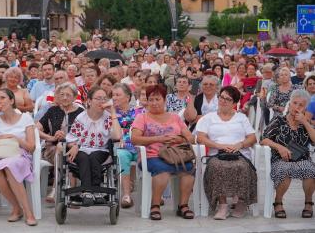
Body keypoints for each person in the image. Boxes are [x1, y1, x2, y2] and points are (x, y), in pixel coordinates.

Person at [131, 85, 195, 220]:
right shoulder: (142, 117)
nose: (154, 103)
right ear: (147, 101)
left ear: (164, 100)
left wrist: (178, 139)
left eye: (157, 99)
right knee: (162, 170)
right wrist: (159, 138)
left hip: (175, 155)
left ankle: (183, 205)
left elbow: (190, 137)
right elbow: (135, 139)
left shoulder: (175, 117)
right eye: (151, 99)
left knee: (188, 168)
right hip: (151, 155)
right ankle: (155, 205)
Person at [196, 86, 257, 220]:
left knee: (242, 167)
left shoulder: (241, 118)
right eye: (221, 97)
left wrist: (239, 145)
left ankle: (241, 202)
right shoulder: (209, 118)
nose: (223, 101)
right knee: (217, 167)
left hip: (239, 153)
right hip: (217, 154)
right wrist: (219, 145)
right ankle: (222, 205)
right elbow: (200, 137)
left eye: (227, 99)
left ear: (234, 103)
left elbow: (253, 138)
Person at [0, 88, 38, 226]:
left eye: (3, 98)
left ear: (12, 100)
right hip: (1, 154)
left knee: (10, 166)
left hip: (20, 154)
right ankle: (16, 208)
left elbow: (31, 147)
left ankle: (28, 212)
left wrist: (15, 138)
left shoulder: (25, 118)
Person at [261, 89, 315, 218]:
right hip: (280, 160)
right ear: (289, 104)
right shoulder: (279, 121)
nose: (296, 107)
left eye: (301, 105)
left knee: (311, 170)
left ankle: (308, 203)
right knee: (285, 169)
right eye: (294, 103)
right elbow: (263, 139)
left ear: (305, 108)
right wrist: (278, 146)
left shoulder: (305, 124)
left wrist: (305, 122)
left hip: (302, 159)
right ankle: (278, 202)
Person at [65, 86, 122, 205]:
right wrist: (74, 146)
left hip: (101, 150)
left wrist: (112, 112)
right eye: (98, 98)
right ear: (89, 101)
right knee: (84, 157)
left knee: (94, 156)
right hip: (81, 149)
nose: (102, 101)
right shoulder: (81, 117)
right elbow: (70, 138)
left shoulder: (107, 118)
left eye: (104, 99)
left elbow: (117, 136)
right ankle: (87, 191)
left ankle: (96, 190)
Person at [37, 82, 84, 202]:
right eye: (61, 94)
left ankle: (56, 190)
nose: (64, 97)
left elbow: (85, 134)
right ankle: (69, 192)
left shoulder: (81, 112)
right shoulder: (53, 110)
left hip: (75, 148)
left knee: (66, 151)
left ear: (74, 97)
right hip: (52, 148)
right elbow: (35, 129)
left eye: (68, 95)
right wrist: (51, 138)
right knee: (60, 148)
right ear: (57, 96)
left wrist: (70, 140)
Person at [111, 83, 140, 208]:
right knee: (122, 155)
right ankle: (126, 195)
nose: (114, 98)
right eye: (113, 95)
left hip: (139, 146)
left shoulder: (139, 111)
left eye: (118, 95)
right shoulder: (110, 113)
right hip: (122, 146)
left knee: (151, 154)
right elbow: (111, 134)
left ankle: (153, 194)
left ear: (127, 97)